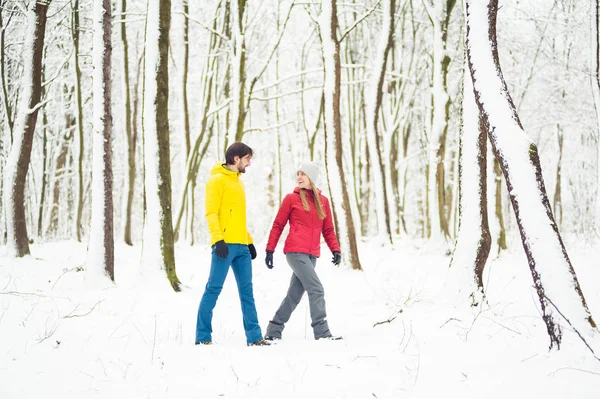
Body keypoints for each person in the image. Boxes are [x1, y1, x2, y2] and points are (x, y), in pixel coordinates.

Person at [195, 142, 270, 346]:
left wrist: (249, 241)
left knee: (247, 292)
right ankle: (202, 337)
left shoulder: (238, 182)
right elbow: (211, 213)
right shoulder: (216, 181)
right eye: (247, 159)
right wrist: (218, 239)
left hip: (241, 247)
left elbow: (237, 217)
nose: (249, 163)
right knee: (213, 289)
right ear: (236, 159)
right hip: (224, 246)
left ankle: (255, 337)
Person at [264, 161, 342, 341]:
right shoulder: (291, 199)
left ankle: (273, 331)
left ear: (312, 178)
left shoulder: (323, 202)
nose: (299, 177)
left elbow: (328, 230)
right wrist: (270, 249)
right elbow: (278, 225)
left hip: (312, 254)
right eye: (298, 174)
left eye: (303, 174)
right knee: (317, 289)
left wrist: (335, 249)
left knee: (294, 295)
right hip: (295, 252)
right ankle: (322, 333)